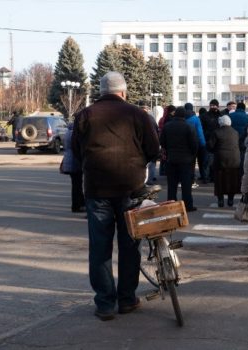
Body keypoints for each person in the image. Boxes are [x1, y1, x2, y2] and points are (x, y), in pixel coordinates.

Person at [72, 71, 160, 321]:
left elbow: (77, 152)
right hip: (130, 188)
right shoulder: (138, 114)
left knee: (99, 248)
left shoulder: (85, 115)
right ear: (123, 92)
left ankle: (104, 304)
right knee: (130, 246)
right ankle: (127, 300)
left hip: (96, 189)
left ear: (100, 92)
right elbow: (153, 150)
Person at [160, 107, 199, 211]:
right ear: (184, 116)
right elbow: (194, 144)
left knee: (172, 185)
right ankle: (188, 206)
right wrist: (192, 155)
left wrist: (168, 150)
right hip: (186, 160)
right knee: (186, 185)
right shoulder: (189, 126)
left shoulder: (167, 126)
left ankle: (171, 205)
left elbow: (162, 141)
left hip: (171, 158)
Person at [207, 115, 241, 207]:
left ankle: (220, 200)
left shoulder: (216, 132)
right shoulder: (235, 132)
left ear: (220, 123)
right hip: (234, 160)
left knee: (220, 181)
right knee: (232, 180)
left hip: (220, 160)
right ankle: (230, 200)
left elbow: (210, 146)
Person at [61, 123, 84, 213]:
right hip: (75, 161)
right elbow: (78, 148)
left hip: (69, 160)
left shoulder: (68, 132)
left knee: (76, 184)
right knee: (77, 185)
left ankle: (79, 203)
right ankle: (76, 205)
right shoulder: (74, 134)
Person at [199, 99, 221, 182]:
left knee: (215, 161)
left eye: (215, 105)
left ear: (218, 106)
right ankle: (206, 177)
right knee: (207, 161)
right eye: (211, 105)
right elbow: (201, 128)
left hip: (218, 141)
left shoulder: (221, 115)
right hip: (208, 140)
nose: (213, 107)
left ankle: (213, 177)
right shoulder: (204, 116)